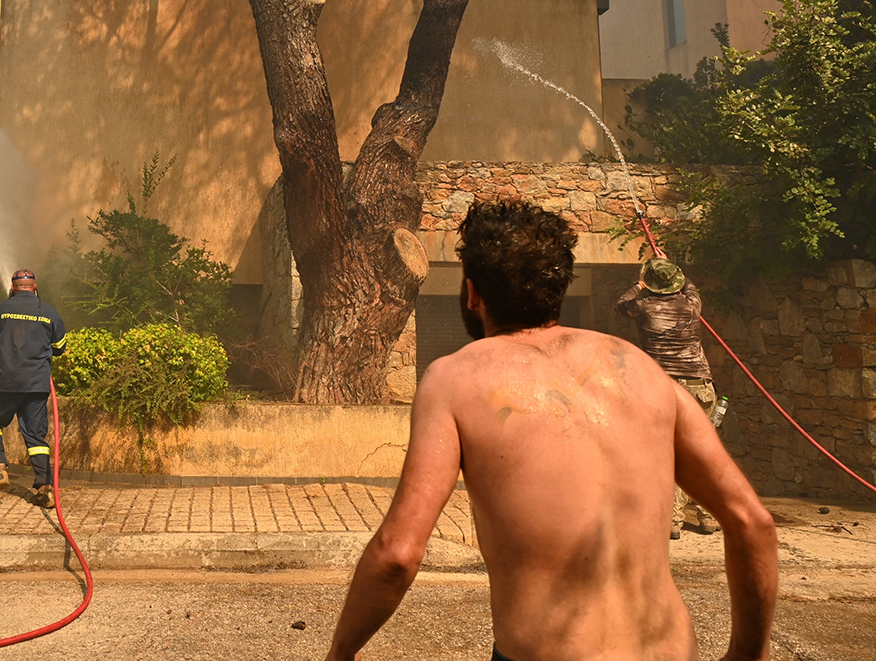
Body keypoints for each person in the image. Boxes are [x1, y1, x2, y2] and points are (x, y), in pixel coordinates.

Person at [325, 200, 777, 661]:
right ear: (559, 286)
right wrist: (748, 655)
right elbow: (752, 523)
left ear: (473, 292)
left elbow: (397, 555)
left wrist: (341, 652)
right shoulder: (643, 372)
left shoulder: (455, 379)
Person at [616, 256, 721, 538]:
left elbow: (621, 303)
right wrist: (671, 266)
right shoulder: (692, 305)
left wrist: (640, 282)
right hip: (700, 385)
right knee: (702, 452)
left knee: (668, 453)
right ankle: (707, 517)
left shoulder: (642, 307)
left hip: (664, 387)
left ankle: (672, 522)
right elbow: (690, 286)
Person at [0, 269, 67, 508]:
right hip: (37, 384)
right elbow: (59, 346)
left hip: (5, 382)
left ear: (13, 287)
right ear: (35, 287)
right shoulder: (49, 312)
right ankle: (45, 488)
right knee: (36, 437)